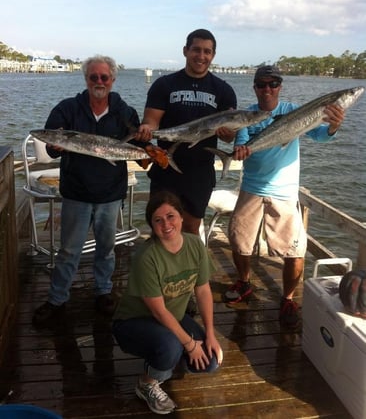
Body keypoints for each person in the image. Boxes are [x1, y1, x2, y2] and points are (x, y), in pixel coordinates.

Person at [32, 54, 160, 326]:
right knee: (68, 251)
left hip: (110, 194)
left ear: (113, 80)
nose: (99, 81)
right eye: (94, 77)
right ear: (86, 79)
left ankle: (103, 291)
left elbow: (139, 153)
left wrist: (149, 149)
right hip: (77, 193)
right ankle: (57, 299)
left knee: (107, 248)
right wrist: (54, 146)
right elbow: (53, 143)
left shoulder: (125, 112)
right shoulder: (67, 108)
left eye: (104, 77)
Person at [224, 65, 345, 327]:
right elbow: (240, 145)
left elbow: (320, 136)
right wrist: (239, 151)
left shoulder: (293, 111)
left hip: (285, 191)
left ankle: (288, 298)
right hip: (252, 187)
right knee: (238, 241)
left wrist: (333, 126)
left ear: (280, 86)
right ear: (254, 87)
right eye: (262, 84)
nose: (267, 89)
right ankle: (244, 282)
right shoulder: (247, 116)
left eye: (273, 83)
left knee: (294, 250)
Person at [112, 190, 223, 415]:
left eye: (171, 216)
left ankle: (164, 360)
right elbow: (159, 312)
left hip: (175, 316)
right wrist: (189, 345)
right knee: (171, 346)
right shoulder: (147, 257)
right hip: (133, 322)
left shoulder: (195, 244)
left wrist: (211, 333)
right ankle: (147, 383)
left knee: (209, 362)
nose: (166, 224)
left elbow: (202, 290)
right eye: (158, 220)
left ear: (182, 217)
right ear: (152, 226)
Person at [136, 29, 237, 236]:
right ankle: (161, 268)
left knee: (191, 228)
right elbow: (152, 122)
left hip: (200, 172)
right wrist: (147, 129)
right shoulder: (164, 84)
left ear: (213, 55)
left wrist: (228, 134)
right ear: (185, 51)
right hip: (165, 169)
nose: (201, 56)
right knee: (162, 228)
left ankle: (187, 268)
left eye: (207, 52)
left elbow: (229, 136)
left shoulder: (224, 90)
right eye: (196, 50)